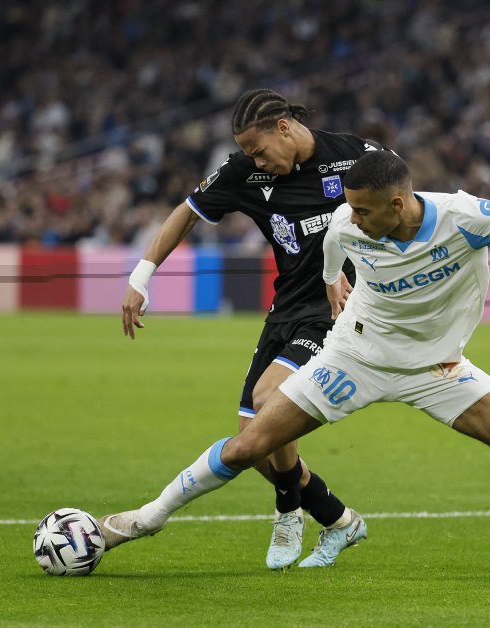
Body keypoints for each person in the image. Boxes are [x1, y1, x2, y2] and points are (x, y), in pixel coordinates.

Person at [100, 150, 490, 580]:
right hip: (355, 357)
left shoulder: (464, 218)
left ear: (398, 203)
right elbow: (332, 250)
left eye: (363, 210)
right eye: (349, 208)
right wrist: (333, 284)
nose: (352, 218)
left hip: (436, 368)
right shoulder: (347, 223)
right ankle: (141, 521)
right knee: (248, 445)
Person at [106, 89, 390, 569]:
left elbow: (405, 205)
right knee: (253, 443)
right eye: (249, 154)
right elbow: (187, 212)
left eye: (258, 150)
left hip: (336, 310)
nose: (256, 161)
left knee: (267, 400)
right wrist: (141, 274)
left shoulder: (354, 156)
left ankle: (287, 513)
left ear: (284, 127)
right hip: (285, 310)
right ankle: (339, 519)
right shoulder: (246, 173)